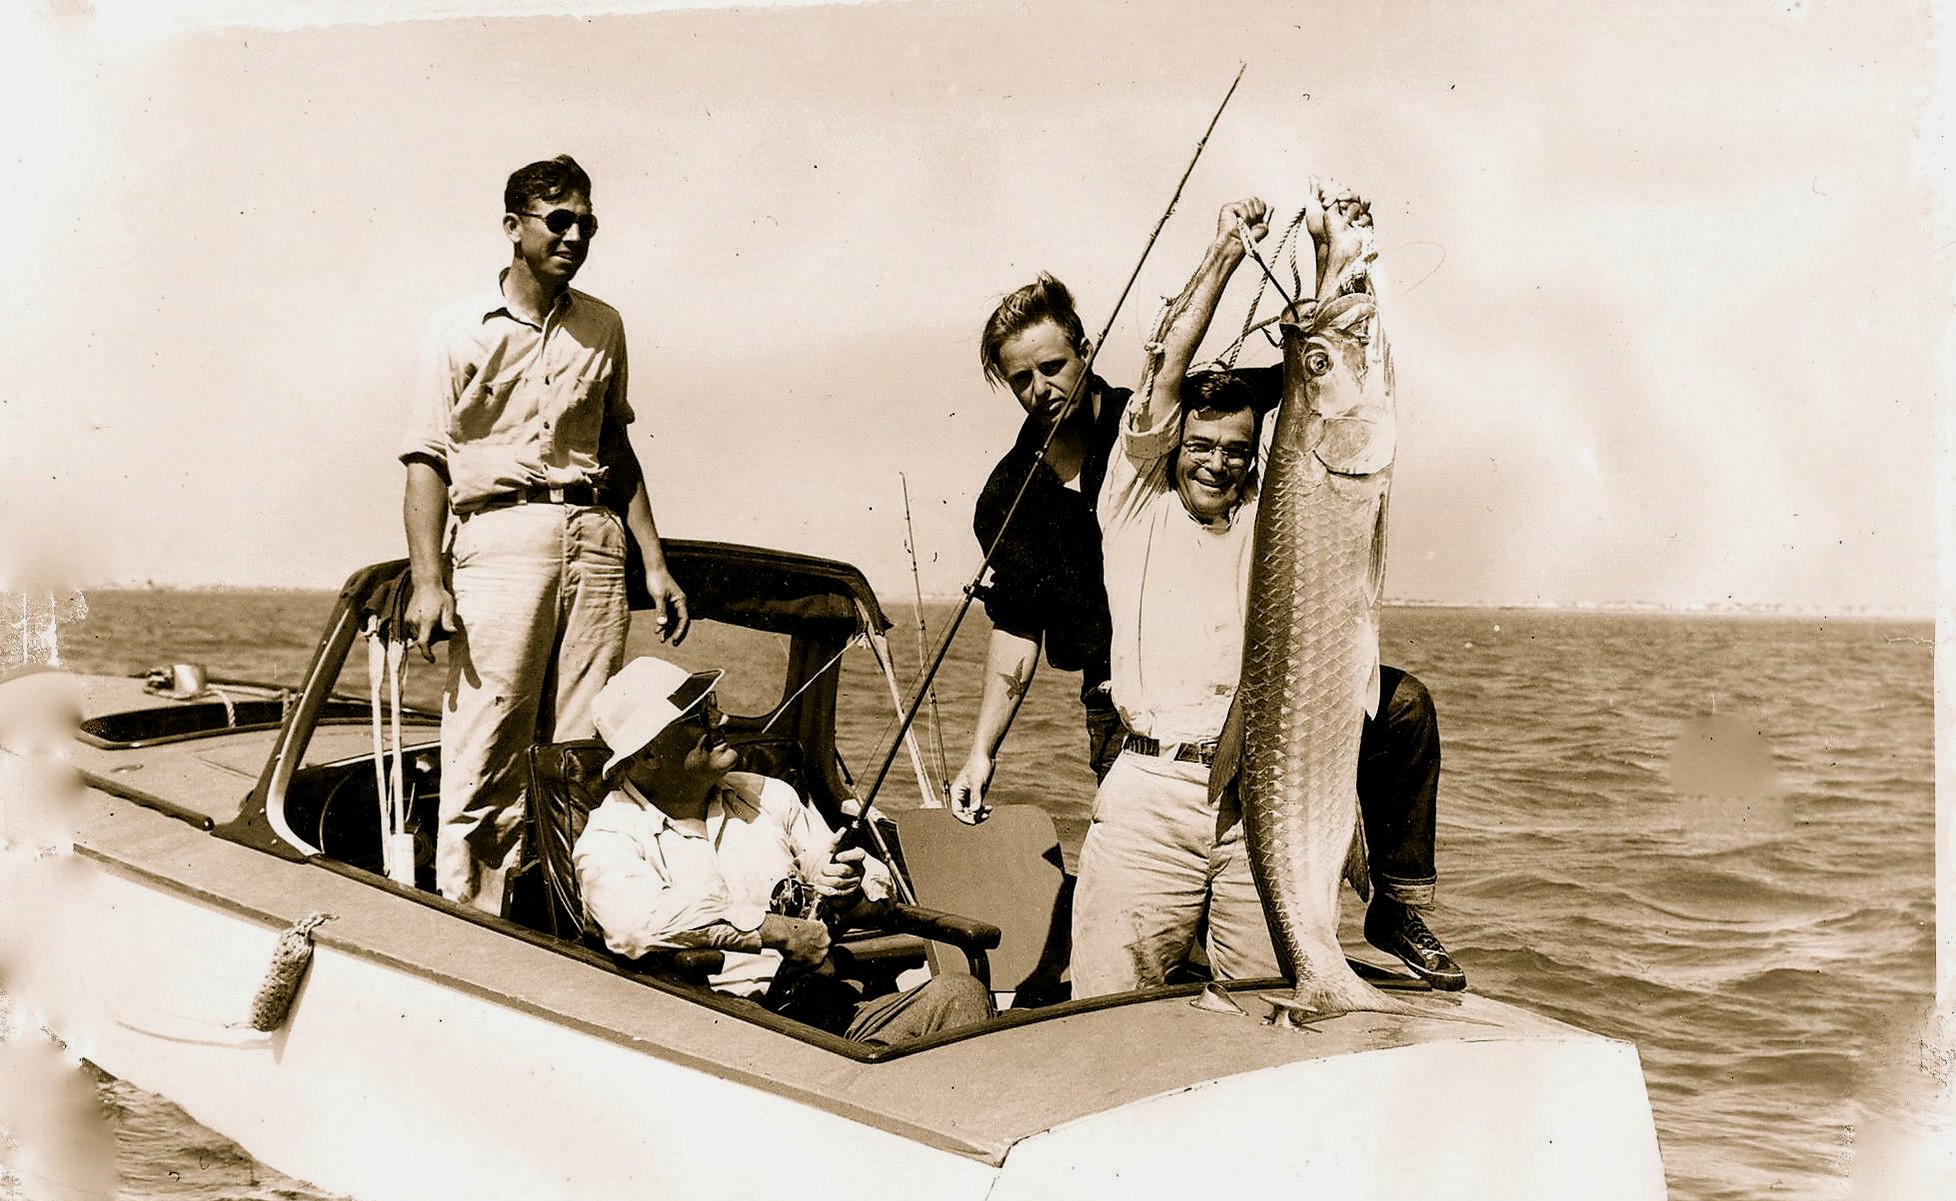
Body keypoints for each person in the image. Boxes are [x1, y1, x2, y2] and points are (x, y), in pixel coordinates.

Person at [1069, 194, 1465, 996]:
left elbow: (1332, 401)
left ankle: (1376, 926)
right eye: (1201, 446)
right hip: (1150, 795)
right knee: (1106, 1013)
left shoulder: (1274, 510)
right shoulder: (1134, 499)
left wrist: (1338, 255)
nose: (1217, 462)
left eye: (1237, 451)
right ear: (1172, 444)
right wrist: (1221, 254)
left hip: (1261, 795)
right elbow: (1162, 374)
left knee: (1263, 1012)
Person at [399, 154, 691, 914]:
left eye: (586, 224)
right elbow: (427, 460)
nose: (574, 236)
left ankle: (570, 918)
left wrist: (654, 564)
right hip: (500, 538)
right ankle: (470, 918)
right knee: (487, 743)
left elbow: (616, 449)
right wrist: (429, 582)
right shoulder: (456, 329)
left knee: (587, 744)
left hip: (596, 539)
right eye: (557, 221)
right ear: (513, 229)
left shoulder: (605, 325)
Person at [573, 657, 993, 1047]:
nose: (721, 719)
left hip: (823, 1011)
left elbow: (862, 880)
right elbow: (636, 924)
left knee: (960, 994)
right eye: (698, 716)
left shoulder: (770, 795)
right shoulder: (608, 838)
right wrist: (774, 930)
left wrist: (851, 886)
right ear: (648, 753)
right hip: (717, 1030)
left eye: (712, 705)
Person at [947, 275, 1129, 821]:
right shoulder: (1007, 496)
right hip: (1115, 704)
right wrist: (982, 752)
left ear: (1086, 352)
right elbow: (1018, 626)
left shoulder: (1150, 426)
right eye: (1021, 379)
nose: (1041, 389)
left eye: (1052, 368)